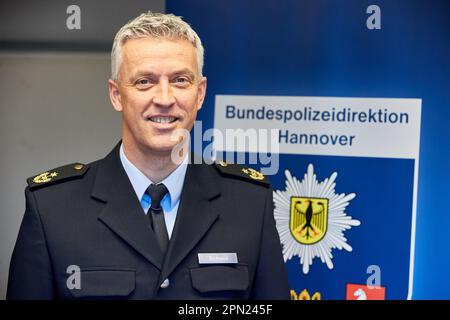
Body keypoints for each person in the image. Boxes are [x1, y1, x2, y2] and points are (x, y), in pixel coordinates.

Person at [7, 12, 289, 300]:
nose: (165, 99)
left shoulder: (249, 204)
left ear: (200, 93)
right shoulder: (52, 208)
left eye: (180, 80)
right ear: (116, 95)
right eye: (144, 82)